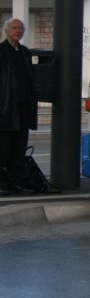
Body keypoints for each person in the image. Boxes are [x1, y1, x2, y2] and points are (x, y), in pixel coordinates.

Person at [0, 18, 38, 194]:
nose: (18, 31)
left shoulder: (24, 53)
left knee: (19, 149)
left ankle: (13, 182)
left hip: (23, 108)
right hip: (6, 109)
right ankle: (2, 183)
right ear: (6, 31)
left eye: (21, 28)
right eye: (15, 28)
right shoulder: (1, 52)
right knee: (4, 149)